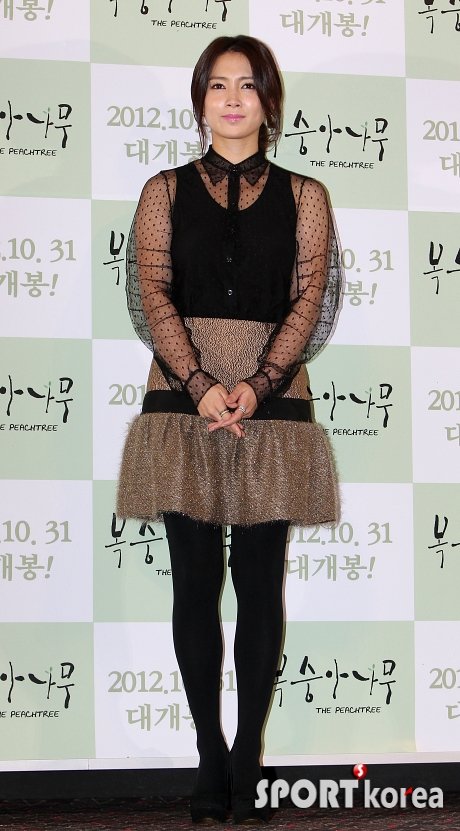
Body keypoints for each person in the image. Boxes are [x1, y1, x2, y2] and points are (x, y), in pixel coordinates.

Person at [117, 34, 342, 824]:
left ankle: (248, 758)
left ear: (268, 100)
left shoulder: (307, 195)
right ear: (200, 100)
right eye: (219, 85)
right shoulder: (164, 191)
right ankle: (209, 757)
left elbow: (309, 298)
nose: (234, 98)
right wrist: (202, 384)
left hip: (272, 403)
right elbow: (152, 292)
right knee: (193, 584)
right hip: (183, 402)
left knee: (258, 580)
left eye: (248, 85)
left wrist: (257, 383)